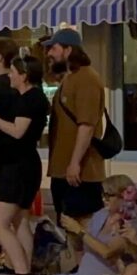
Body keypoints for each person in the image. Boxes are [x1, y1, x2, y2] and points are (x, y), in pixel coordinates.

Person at [0, 54, 48, 275]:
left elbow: (17, 131)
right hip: (22, 164)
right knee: (20, 220)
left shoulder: (31, 99)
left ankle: (21, 270)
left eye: (14, 72)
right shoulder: (27, 97)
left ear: (23, 76)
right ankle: (21, 267)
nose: (10, 76)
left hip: (18, 167)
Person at [43, 176, 137, 275]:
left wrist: (79, 231)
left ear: (123, 197)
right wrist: (72, 231)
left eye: (108, 195)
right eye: (102, 194)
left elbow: (108, 253)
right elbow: (82, 245)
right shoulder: (100, 215)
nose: (103, 199)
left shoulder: (130, 224)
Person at [46, 28, 107, 225]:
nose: (49, 54)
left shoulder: (87, 78)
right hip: (62, 170)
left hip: (82, 172)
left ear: (68, 49)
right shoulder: (69, 78)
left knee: (83, 227)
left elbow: (86, 125)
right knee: (66, 226)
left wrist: (75, 163)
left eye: (54, 48)